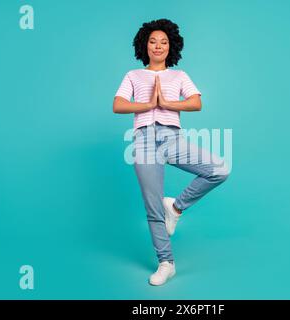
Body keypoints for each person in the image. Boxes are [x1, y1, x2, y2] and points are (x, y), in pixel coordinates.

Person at [113, 18, 230, 286]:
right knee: (153, 208)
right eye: (153, 41)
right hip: (143, 141)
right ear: (145, 44)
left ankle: (176, 207)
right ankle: (166, 263)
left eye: (164, 42)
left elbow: (196, 103)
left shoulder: (179, 75)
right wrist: (147, 105)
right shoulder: (133, 75)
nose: (158, 46)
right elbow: (118, 105)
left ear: (171, 47)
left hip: (171, 136)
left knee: (219, 169)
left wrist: (165, 102)